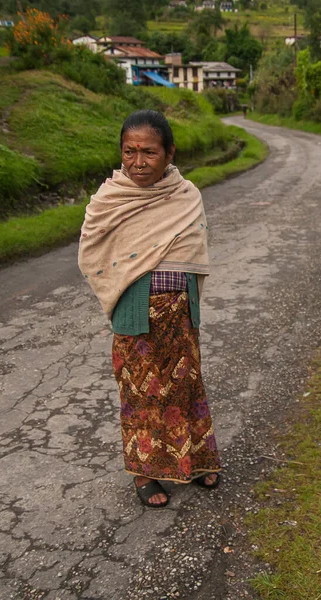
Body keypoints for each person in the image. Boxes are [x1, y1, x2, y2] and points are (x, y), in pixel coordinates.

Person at [78, 110, 222, 508]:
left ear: (169, 153)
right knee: (141, 396)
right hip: (135, 315)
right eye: (129, 151)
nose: (138, 162)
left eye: (149, 152)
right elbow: (94, 255)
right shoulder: (109, 200)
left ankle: (195, 461)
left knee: (186, 389)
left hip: (180, 313)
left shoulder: (186, 195)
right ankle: (144, 475)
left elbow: (194, 251)